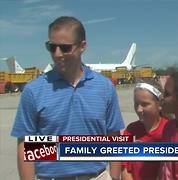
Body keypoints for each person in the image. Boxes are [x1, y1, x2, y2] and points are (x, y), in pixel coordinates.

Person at [11, 16, 125, 180]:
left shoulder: (105, 87)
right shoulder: (33, 91)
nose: (57, 54)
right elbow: (25, 145)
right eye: (51, 47)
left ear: (82, 46)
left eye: (65, 48)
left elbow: (113, 137)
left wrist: (114, 177)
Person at [121, 82, 169, 180]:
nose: (139, 109)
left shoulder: (169, 130)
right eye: (136, 104)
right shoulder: (131, 130)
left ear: (159, 104)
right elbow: (125, 169)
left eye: (144, 104)